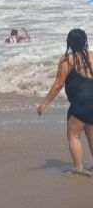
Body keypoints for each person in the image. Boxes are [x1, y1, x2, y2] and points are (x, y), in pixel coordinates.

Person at [37, 29, 93, 176]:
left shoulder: (67, 60)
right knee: (91, 134)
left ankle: (79, 169)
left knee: (73, 135)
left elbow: (58, 84)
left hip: (80, 103)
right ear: (85, 41)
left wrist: (44, 104)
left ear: (69, 42)